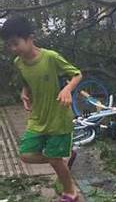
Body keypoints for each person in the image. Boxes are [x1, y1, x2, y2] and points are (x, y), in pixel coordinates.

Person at [0, 16, 82, 202]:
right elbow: (27, 81)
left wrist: (67, 89)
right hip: (38, 117)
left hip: (58, 117)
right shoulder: (18, 63)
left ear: (30, 38)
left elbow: (77, 74)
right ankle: (63, 158)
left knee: (54, 160)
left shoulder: (50, 57)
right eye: (9, 45)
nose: (13, 49)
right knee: (26, 155)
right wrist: (24, 92)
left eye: (16, 43)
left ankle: (72, 193)